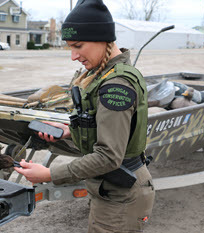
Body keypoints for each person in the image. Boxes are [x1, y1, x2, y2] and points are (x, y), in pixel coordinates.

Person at [14, 0, 155, 232]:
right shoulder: (106, 74)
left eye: (78, 46)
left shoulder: (115, 85)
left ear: (101, 38)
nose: (73, 56)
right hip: (111, 189)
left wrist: (50, 174)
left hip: (121, 195)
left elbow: (109, 156)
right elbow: (109, 130)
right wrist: (71, 131)